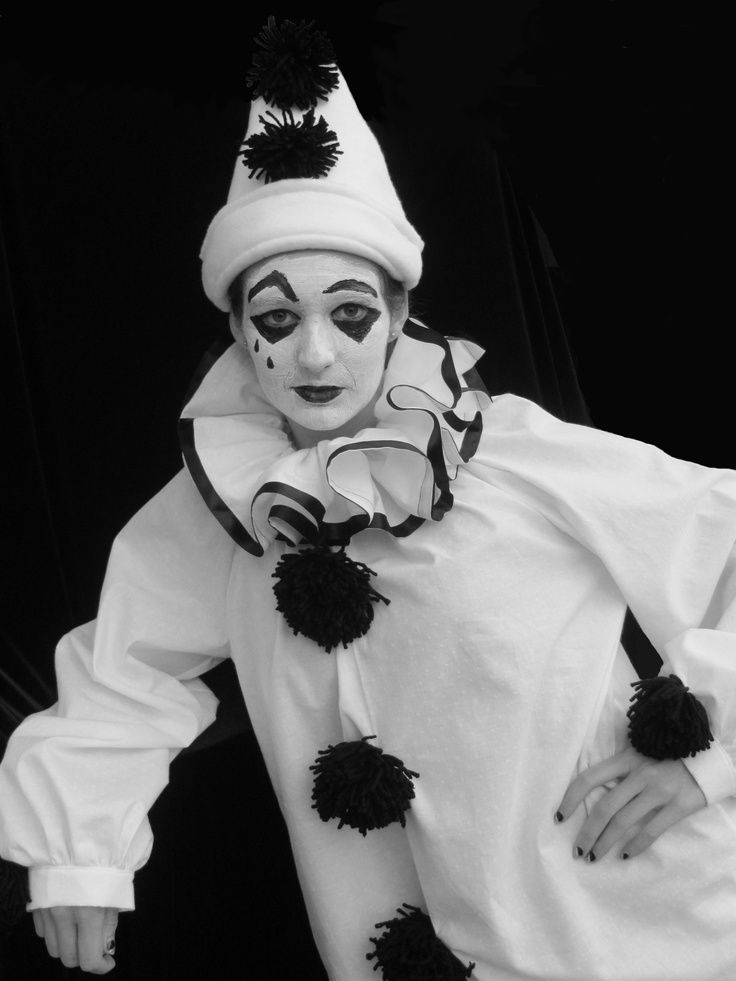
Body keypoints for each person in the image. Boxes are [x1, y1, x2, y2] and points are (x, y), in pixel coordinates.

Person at [1, 16, 736, 980]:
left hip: (652, 930)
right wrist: (76, 857)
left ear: (396, 311)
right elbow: (119, 675)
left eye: (349, 312)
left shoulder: (516, 454)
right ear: (238, 329)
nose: (314, 354)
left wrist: (708, 754)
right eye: (276, 316)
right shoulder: (220, 507)